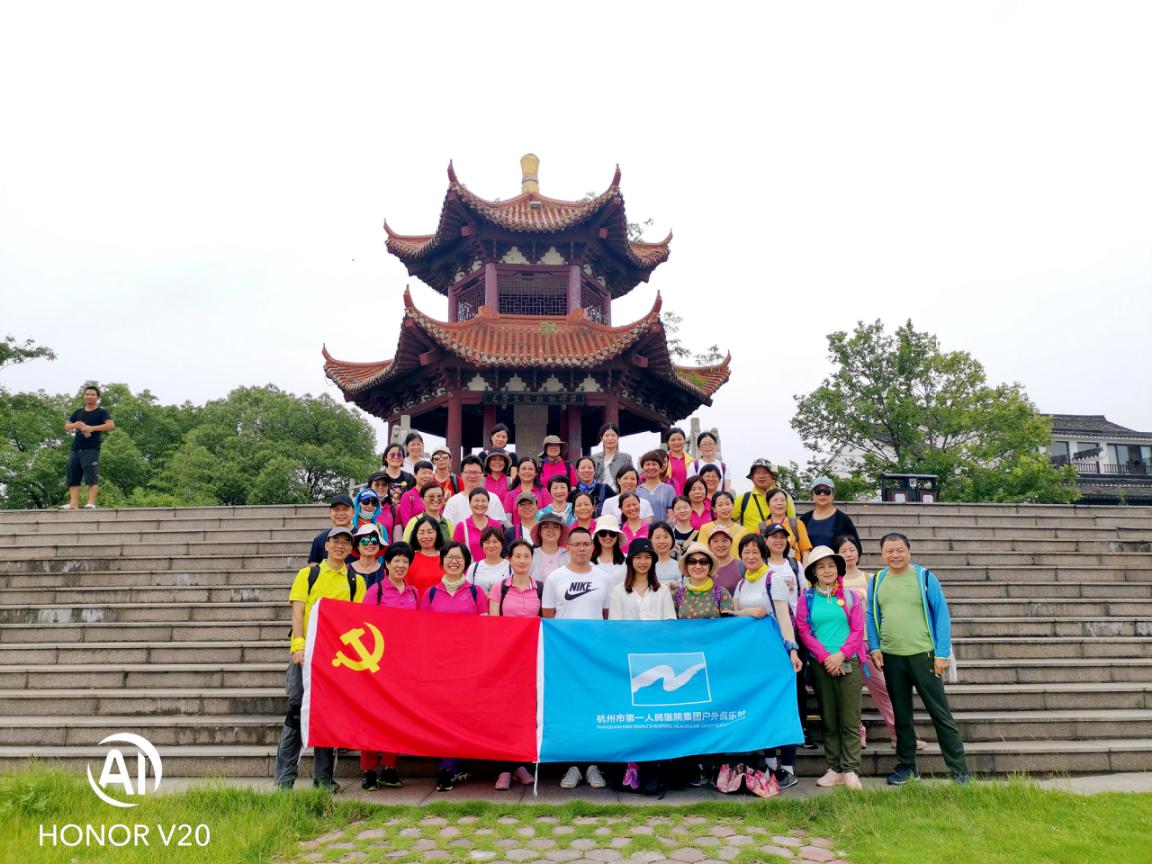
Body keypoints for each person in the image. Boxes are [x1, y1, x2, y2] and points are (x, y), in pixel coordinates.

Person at [867, 533, 971, 785]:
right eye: (889, 551)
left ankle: (959, 770)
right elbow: (871, 613)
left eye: (899, 550)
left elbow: (942, 614)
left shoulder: (924, 577)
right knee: (901, 715)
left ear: (909, 551)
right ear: (882, 554)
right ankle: (906, 766)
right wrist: (875, 646)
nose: (895, 555)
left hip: (924, 655)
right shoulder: (878, 580)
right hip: (892, 657)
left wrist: (942, 654)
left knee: (940, 713)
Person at [275, 526, 365, 791]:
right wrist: (298, 647)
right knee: (295, 714)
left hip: (335, 659)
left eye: (346, 542)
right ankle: (284, 778)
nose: (340, 546)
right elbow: (298, 612)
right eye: (335, 541)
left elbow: (356, 621)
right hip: (305, 655)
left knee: (326, 715)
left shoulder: (355, 581)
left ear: (351, 549)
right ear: (326, 545)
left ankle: (323, 778)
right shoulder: (308, 574)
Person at [718, 533, 805, 797]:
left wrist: (792, 649)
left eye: (755, 551)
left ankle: (787, 767)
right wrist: (745, 612)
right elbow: (733, 615)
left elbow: (784, 616)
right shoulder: (742, 583)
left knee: (782, 707)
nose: (751, 556)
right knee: (764, 707)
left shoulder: (773, 579)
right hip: (752, 656)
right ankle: (770, 764)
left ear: (763, 554)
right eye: (746, 552)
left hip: (775, 652)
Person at [837, 534, 924, 752]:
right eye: (843, 551)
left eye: (851, 549)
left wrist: (877, 642)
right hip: (844, 646)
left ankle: (899, 735)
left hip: (868, 643)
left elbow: (878, 610)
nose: (848, 554)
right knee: (848, 695)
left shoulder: (872, 579)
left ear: (858, 552)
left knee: (884, 690)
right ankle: (857, 735)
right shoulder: (833, 581)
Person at [541, 526, 609, 789]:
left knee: (593, 708)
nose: (582, 548)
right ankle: (571, 767)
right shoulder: (555, 578)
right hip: (564, 656)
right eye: (577, 544)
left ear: (592, 547)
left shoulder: (603, 577)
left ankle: (592, 766)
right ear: (567, 547)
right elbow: (548, 618)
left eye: (586, 544)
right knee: (568, 709)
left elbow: (605, 616)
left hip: (594, 656)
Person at [608, 538, 676, 795]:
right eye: (638, 557)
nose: (643, 561)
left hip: (657, 664)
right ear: (630, 561)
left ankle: (654, 768)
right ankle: (630, 768)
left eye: (647, 557)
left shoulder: (662, 591)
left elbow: (669, 625)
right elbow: (616, 629)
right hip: (628, 665)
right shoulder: (618, 591)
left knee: (653, 717)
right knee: (632, 716)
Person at [797, 546, 867, 791]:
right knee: (828, 717)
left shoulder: (850, 596)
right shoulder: (806, 599)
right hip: (821, 664)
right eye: (821, 566)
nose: (827, 570)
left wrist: (840, 655)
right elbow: (804, 631)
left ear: (838, 568)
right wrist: (826, 658)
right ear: (813, 572)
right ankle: (835, 768)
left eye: (831, 565)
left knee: (850, 718)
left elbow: (857, 630)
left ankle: (851, 769)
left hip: (849, 661)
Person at [421, 542, 487, 791]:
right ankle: (446, 767)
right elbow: (422, 631)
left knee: (463, 714)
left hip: (468, 663)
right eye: (449, 557)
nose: (454, 561)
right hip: (439, 664)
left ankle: (454, 765)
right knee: (443, 714)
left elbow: (485, 630)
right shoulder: (430, 594)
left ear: (466, 563)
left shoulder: (476, 593)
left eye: (459, 558)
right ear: (442, 562)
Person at [359, 541, 419, 790]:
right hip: (378, 662)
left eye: (405, 561)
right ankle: (368, 770)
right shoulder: (376, 591)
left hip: (403, 663)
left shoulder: (414, 593)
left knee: (396, 715)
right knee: (372, 716)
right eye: (396, 560)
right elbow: (363, 625)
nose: (401, 565)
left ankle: (389, 768)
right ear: (387, 564)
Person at [488, 539, 541, 790]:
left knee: (527, 712)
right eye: (517, 556)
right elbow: (493, 625)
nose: (521, 560)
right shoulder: (500, 588)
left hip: (532, 659)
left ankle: (521, 765)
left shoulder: (540, 588)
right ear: (509, 559)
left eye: (526, 556)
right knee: (504, 712)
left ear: (532, 559)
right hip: (506, 659)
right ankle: (504, 768)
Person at [762, 523, 813, 760]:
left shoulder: (795, 564)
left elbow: (804, 594)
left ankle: (800, 727)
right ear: (766, 540)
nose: (778, 541)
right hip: (768, 633)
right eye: (773, 537)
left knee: (797, 681)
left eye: (782, 537)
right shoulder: (762, 565)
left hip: (794, 629)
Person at [61, 384, 115, 510]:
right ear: (84, 396)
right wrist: (75, 425)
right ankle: (73, 504)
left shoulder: (102, 412)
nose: (89, 396)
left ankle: (91, 503)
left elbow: (111, 425)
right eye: (87, 394)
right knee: (73, 476)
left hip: (91, 449)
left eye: (92, 394)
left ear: (98, 397)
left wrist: (92, 428)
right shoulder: (78, 412)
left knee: (91, 475)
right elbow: (66, 427)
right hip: (75, 449)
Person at [734, 458, 796, 533]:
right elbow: (728, 520)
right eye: (757, 473)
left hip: (779, 539)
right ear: (752, 477)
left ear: (772, 476)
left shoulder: (784, 497)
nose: (761, 476)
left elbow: (793, 524)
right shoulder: (743, 498)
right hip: (752, 540)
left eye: (765, 472)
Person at [799, 477, 860, 551]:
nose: (822, 494)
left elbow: (856, 547)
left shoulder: (843, 520)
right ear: (812, 495)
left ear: (833, 494)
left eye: (827, 491)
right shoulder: (804, 519)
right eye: (818, 491)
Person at [445, 456, 508, 526]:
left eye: (476, 472)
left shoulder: (493, 499)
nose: (472, 476)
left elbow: (497, 526)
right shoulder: (453, 501)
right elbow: (447, 527)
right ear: (462, 475)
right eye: (468, 472)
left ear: (482, 474)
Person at [764, 488, 813, 566]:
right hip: (769, 570)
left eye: (783, 500)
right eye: (775, 500)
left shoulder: (797, 524)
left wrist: (804, 571)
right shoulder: (761, 527)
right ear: (768, 504)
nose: (779, 503)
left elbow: (805, 552)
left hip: (793, 569)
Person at [308, 494, 355, 564]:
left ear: (353, 512)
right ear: (330, 513)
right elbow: (313, 564)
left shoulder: (362, 538)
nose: (341, 513)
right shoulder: (320, 539)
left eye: (345, 509)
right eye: (336, 509)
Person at [453, 488, 496, 562]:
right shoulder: (462, 526)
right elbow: (455, 552)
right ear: (469, 503)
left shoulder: (496, 525)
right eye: (476, 501)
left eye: (483, 501)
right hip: (470, 568)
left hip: (492, 567)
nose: (480, 504)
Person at [407, 515, 447, 595]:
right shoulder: (409, 559)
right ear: (416, 535)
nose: (426, 536)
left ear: (437, 533)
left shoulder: (446, 558)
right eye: (421, 532)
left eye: (430, 532)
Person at [590, 422, 633, 493]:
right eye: (606, 436)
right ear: (601, 438)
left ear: (618, 437)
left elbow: (631, 477)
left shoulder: (626, 458)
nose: (610, 438)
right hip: (598, 495)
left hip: (619, 494)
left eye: (613, 435)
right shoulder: (594, 458)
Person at [637, 450, 676, 521]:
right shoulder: (637, 490)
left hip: (663, 527)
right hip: (642, 528)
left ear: (660, 468)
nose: (651, 467)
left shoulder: (669, 489)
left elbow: (671, 516)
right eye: (648, 464)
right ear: (643, 468)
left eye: (654, 464)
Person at [468, 526, 510, 592]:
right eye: (487, 542)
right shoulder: (473, 568)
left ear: (502, 544)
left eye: (495, 542)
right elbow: (468, 592)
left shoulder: (511, 567)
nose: (491, 545)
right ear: (482, 545)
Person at [530, 513, 570, 582]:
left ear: (561, 531)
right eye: (546, 526)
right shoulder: (531, 555)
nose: (551, 530)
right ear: (539, 531)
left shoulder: (569, 555)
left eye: (556, 526)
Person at [590, 515, 626, 588]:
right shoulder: (588, 562)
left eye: (612, 533)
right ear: (597, 536)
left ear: (617, 536)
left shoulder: (628, 560)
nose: (607, 536)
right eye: (603, 533)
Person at [397, 461, 435, 526]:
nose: (427, 476)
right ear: (415, 475)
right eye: (424, 473)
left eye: (430, 473)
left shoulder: (435, 495)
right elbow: (407, 523)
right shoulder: (407, 496)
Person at [350, 523, 386, 590]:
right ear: (357, 546)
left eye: (374, 540)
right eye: (365, 541)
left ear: (379, 545)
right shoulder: (347, 569)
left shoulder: (386, 572)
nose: (370, 543)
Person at [706, 525, 742, 594]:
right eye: (715, 541)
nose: (720, 545)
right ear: (709, 545)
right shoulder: (704, 567)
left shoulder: (741, 566)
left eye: (724, 540)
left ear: (731, 543)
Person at [649, 521, 682, 589]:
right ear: (650, 540)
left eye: (666, 537)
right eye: (657, 537)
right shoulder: (646, 566)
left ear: (672, 540)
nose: (662, 541)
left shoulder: (680, 565)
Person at [662, 426, 693, 495]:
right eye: (673, 440)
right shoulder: (662, 460)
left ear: (684, 441)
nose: (676, 442)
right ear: (668, 443)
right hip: (669, 497)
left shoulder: (692, 461)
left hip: (687, 498)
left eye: (679, 439)